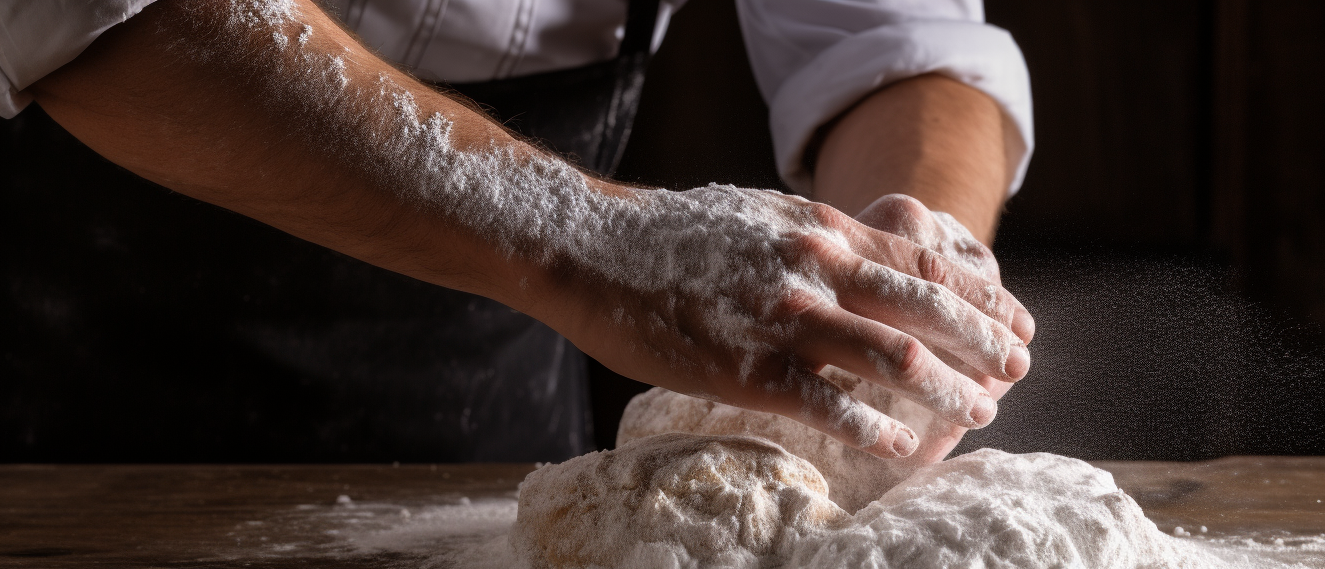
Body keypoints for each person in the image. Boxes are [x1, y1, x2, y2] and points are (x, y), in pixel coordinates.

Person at [1, 0, 1035, 464]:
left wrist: (902, 263)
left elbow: (897, 50)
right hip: (46, 444)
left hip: (479, 465)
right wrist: (589, 242)